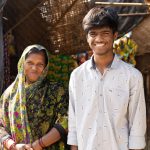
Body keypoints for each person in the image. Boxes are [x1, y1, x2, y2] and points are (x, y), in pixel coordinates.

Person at [67, 6, 146, 150]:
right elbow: (74, 122)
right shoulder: (77, 76)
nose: (98, 39)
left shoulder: (133, 76)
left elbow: (138, 124)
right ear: (87, 37)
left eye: (105, 33)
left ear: (115, 35)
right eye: (93, 33)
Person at [0, 44, 69, 150]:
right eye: (30, 63)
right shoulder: (9, 95)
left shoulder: (56, 90)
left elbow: (65, 120)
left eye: (40, 64)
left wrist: (39, 144)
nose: (34, 68)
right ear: (22, 63)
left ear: (46, 67)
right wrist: (13, 146)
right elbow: (1, 124)